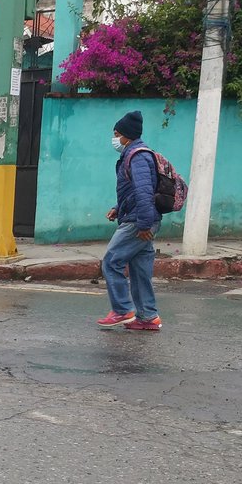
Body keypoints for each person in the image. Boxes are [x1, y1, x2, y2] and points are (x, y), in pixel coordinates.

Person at [97, 110, 163, 332]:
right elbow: (136, 191)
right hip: (138, 216)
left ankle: (122, 309)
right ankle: (148, 316)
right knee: (139, 269)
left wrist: (143, 224)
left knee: (111, 261)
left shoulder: (138, 156)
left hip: (139, 221)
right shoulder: (132, 155)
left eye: (117, 134)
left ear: (127, 135)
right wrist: (118, 208)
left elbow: (144, 192)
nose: (114, 139)